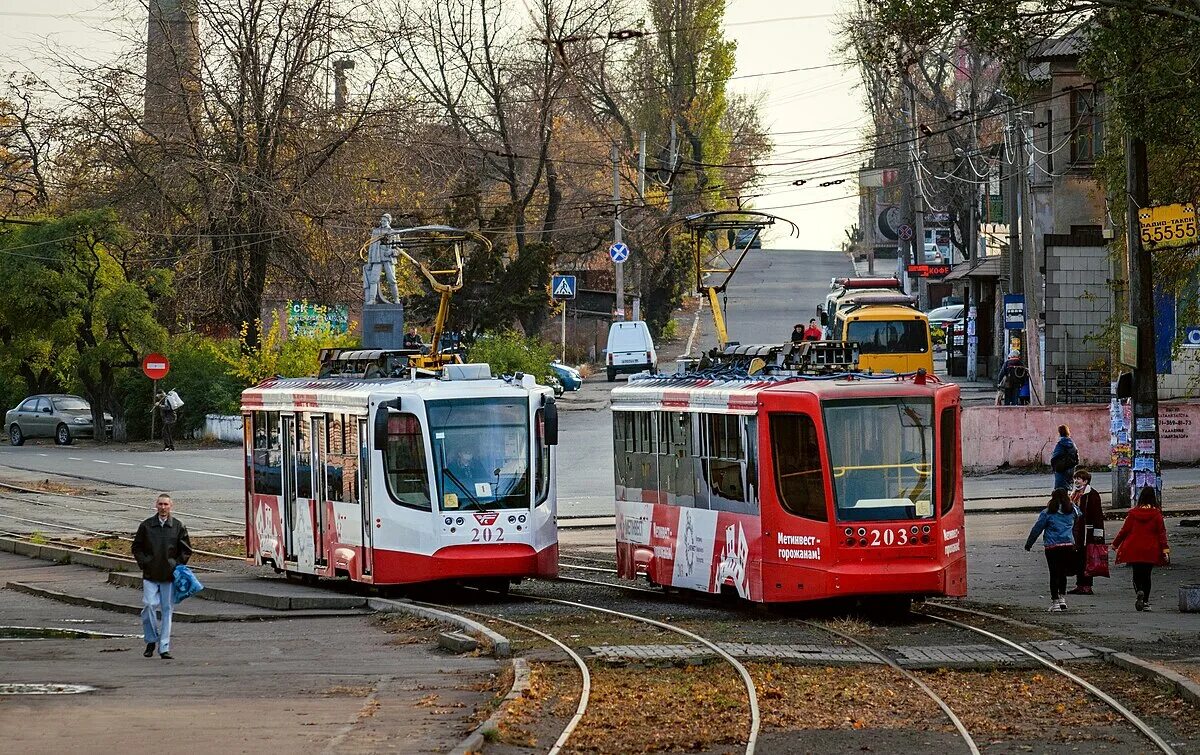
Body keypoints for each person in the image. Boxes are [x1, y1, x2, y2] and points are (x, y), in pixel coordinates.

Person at [131, 494, 192, 659]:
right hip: (150, 574)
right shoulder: (147, 526)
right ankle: (151, 639)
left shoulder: (178, 526)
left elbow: (186, 550)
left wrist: (176, 565)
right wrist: (145, 563)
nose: (163, 507)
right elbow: (136, 547)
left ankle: (164, 647)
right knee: (149, 605)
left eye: (166, 504)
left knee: (167, 610)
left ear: (171, 506)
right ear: (156, 506)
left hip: (169, 575)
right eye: (160, 504)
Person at [1112, 486, 1170, 611]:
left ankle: (1139, 591)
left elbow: (1124, 530)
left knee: (1136, 574)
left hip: (1134, 547)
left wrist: (1115, 544)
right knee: (1147, 575)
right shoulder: (1157, 514)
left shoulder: (1133, 513)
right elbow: (1162, 533)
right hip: (1150, 549)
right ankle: (1146, 602)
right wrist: (1165, 550)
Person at [1024, 487, 1079, 612]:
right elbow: (1079, 516)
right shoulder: (1072, 510)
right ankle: (1062, 599)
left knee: (1054, 573)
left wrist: (1029, 543)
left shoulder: (1048, 512)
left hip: (1052, 546)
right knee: (1063, 573)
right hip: (1068, 545)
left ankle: (1055, 603)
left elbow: (1037, 529)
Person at [1068, 469, 1105, 595]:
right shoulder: (1074, 494)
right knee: (1078, 558)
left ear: (1085, 481)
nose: (1076, 481)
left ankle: (1087, 585)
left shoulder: (1092, 494)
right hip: (1076, 531)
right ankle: (1080, 584)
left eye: (1079, 478)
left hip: (1087, 532)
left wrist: (1098, 534)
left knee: (1087, 559)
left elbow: (1098, 516)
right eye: (1075, 478)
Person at [364, 213, 400, 304]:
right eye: (382, 220)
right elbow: (371, 247)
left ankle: (396, 299)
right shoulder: (375, 232)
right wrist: (369, 262)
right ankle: (372, 299)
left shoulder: (394, 232)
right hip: (377, 259)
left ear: (389, 221)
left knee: (392, 279)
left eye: (385, 220)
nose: (382, 222)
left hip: (388, 259)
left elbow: (399, 249)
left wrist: (391, 252)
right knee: (373, 280)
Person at [1050, 424, 1078, 490]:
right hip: (1070, 468)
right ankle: (1066, 499)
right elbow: (1077, 456)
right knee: (1067, 488)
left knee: (1059, 489)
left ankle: (1061, 500)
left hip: (1061, 468)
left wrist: (1054, 467)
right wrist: (1073, 465)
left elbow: (1055, 456)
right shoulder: (1072, 444)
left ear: (1059, 433)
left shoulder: (1060, 444)